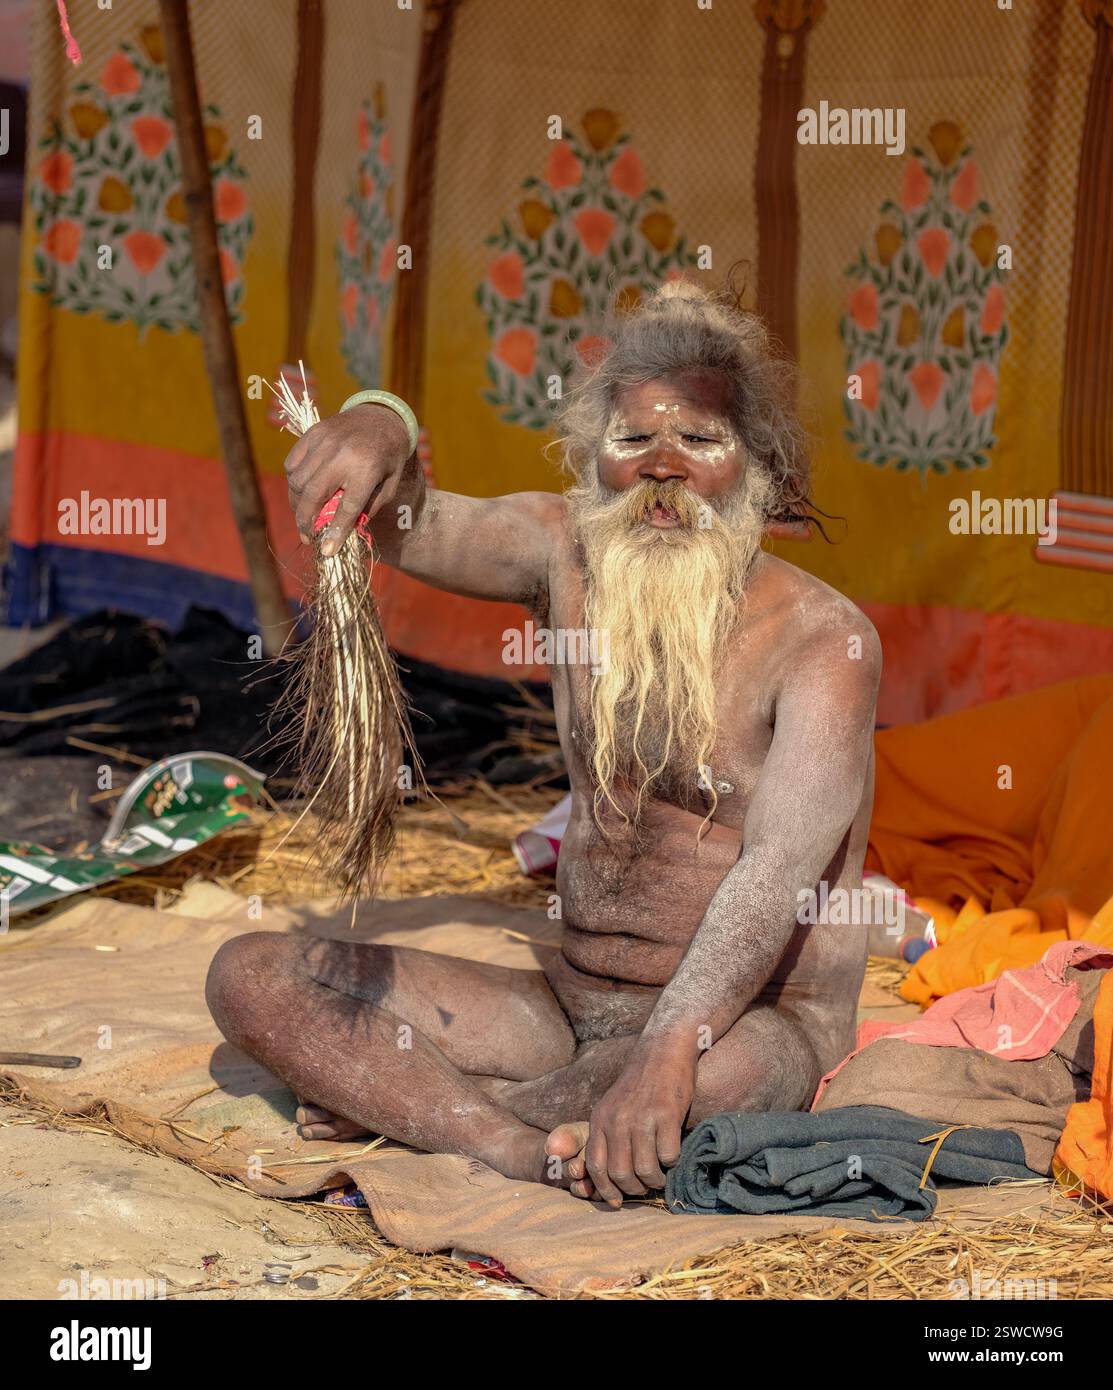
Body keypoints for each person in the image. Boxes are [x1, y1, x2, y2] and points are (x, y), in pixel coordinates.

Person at [206, 281, 881, 1206]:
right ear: (589, 460)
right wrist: (378, 424)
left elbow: (775, 871)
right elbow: (410, 520)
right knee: (249, 975)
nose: (663, 467)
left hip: (749, 1023)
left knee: (721, 1087)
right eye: (633, 439)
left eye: (701, 441)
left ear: (758, 466)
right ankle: (510, 1138)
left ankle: (422, 1108)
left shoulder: (822, 639)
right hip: (568, 1005)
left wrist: (668, 1049)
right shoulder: (560, 550)